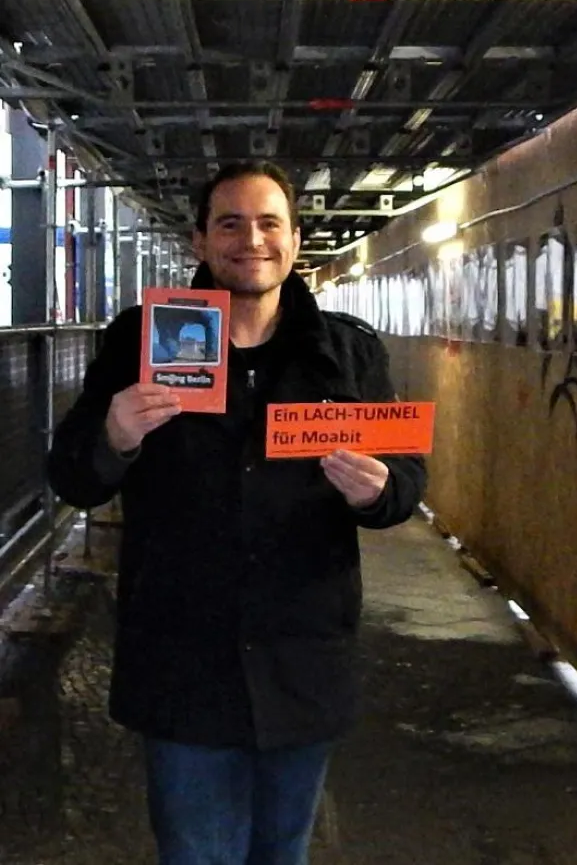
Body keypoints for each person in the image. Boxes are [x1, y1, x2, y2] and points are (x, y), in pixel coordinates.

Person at [48, 161, 427, 865]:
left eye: (268, 222)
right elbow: (72, 476)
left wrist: (376, 490)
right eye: (229, 223)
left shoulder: (346, 351)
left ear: (294, 240)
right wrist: (114, 436)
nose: (250, 239)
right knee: (194, 853)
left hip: (301, 653)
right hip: (183, 656)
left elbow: (405, 480)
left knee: (282, 851)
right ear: (199, 241)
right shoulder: (139, 341)